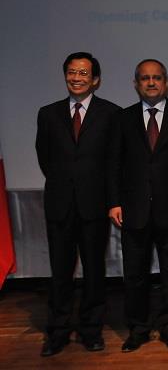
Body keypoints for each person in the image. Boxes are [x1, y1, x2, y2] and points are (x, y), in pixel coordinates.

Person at [107, 59, 168, 352]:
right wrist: (114, 202)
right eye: (145, 78)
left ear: (166, 83)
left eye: (157, 78)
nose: (151, 82)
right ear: (136, 84)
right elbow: (114, 164)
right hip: (132, 209)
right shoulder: (122, 118)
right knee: (135, 273)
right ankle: (138, 329)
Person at [35, 52, 120, 356]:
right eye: (72, 72)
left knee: (94, 271)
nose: (76, 78)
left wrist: (111, 200)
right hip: (59, 205)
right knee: (60, 272)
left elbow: (114, 162)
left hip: (94, 205)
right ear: (65, 76)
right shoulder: (48, 113)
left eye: (83, 73)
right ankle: (57, 332)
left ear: (95, 79)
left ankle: (91, 330)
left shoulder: (111, 113)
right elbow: (45, 157)